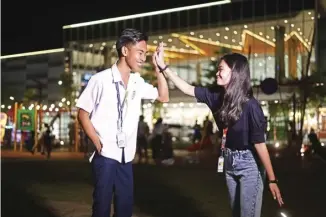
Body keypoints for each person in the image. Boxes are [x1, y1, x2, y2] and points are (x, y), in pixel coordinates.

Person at [152, 44, 283, 217]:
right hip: (229, 161)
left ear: (235, 72)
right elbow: (187, 88)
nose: (217, 73)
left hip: (250, 163)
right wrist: (163, 67)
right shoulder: (214, 95)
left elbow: (260, 145)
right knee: (236, 213)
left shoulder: (251, 106)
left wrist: (272, 179)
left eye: (221, 69)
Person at [77, 29, 169, 217]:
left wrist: (159, 68)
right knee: (101, 206)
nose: (143, 58)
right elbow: (82, 113)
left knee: (125, 207)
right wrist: (96, 140)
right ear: (125, 51)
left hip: (126, 156)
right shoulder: (100, 80)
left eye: (145, 53)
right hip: (105, 154)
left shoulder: (137, 82)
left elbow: (163, 96)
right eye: (140, 52)